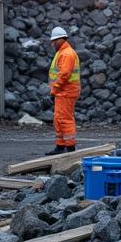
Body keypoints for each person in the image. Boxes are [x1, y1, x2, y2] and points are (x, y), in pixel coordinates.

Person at [47, 26, 80, 155]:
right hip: (62, 92)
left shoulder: (66, 53)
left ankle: (70, 148)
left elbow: (64, 74)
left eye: (54, 40)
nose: (52, 43)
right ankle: (60, 146)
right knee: (59, 119)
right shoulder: (63, 52)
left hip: (65, 92)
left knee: (65, 119)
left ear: (61, 39)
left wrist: (54, 90)